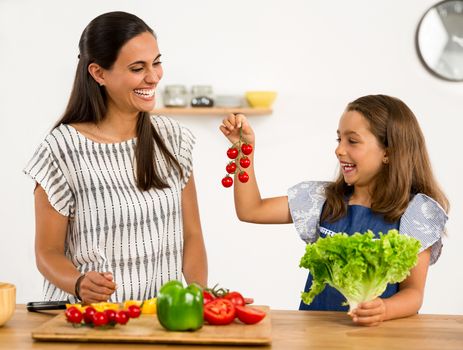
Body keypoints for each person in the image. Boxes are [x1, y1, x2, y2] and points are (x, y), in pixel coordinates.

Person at [23, 11, 207, 304]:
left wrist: (203, 300)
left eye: (156, 63)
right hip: (88, 322)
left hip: (157, 320)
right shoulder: (61, 150)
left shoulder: (174, 140)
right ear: (98, 73)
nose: (153, 77)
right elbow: (47, 253)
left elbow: (192, 236)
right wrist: (79, 282)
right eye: (138, 68)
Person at [220, 94, 449, 326]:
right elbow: (251, 210)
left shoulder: (415, 213)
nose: (339, 150)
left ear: (388, 152)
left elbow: (413, 294)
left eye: (352, 141)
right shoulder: (322, 200)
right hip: (318, 334)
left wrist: (385, 309)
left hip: (378, 338)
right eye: (339, 139)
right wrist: (244, 150)